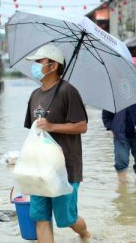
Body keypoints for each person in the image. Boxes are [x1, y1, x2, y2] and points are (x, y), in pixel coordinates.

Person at [24, 44, 91, 242]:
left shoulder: (68, 91)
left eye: (39, 62)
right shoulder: (35, 95)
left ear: (53, 66)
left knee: (67, 219)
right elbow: (33, 133)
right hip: (40, 168)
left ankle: (86, 234)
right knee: (40, 217)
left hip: (66, 167)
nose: (35, 66)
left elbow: (82, 126)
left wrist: (52, 126)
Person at [102, 86, 136, 185]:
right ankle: (122, 188)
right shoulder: (113, 94)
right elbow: (106, 117)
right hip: (120, 134)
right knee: (120, 160)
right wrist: (111, 128)